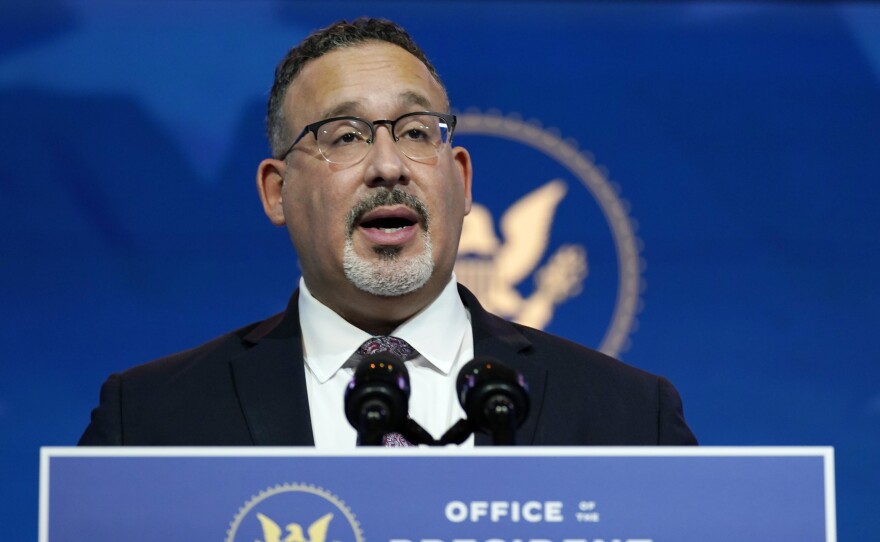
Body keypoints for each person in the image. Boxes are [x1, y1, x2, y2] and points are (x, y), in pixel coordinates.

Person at [79, 18, 696, 447]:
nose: (388, 165)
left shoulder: (631, 417)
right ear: (276, 192)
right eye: (345, 136)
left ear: (459, 180)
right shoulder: (151, 418)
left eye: (416, 130)